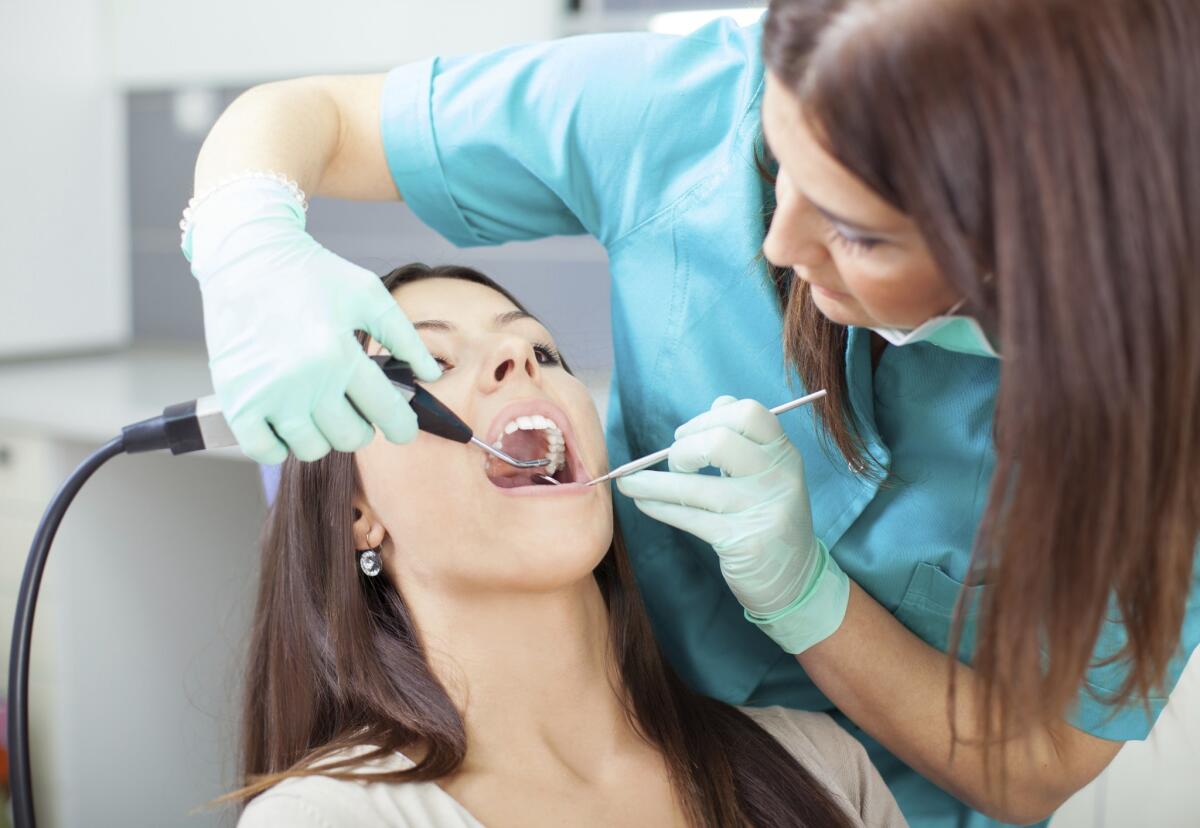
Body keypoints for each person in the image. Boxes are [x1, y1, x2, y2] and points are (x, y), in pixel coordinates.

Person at [183, 1, 1200, 824]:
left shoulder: (824, 773)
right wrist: (244, 242)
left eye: (855, 232)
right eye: (776, 163)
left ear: (1029, 260)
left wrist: (810, 599)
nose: (776, 241)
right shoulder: (689, 107)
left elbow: (1033, 764)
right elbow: (307, 117)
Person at [231, 263, 905, 828]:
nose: (518, 357)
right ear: (356, 514)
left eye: (545, 353)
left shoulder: (822, 767)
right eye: (428, 362)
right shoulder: (322, 820)